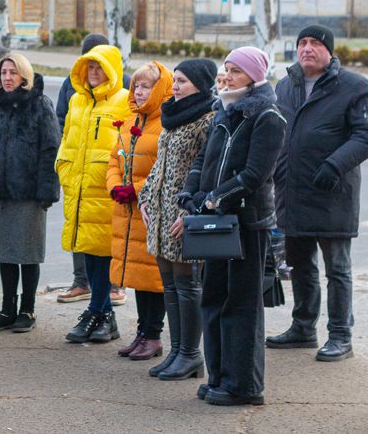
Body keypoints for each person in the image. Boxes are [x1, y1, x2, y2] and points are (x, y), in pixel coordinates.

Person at [181, 47, 285, 407]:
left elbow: (256, 175)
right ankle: (220, 376)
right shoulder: (223, 110)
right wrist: (190, 193)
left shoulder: (267, 116)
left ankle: (245, 386)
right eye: (225, 69)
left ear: (253, 77)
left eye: (235, 71)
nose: (225, 76)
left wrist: (213, 198)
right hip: (216, 219)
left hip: (245, 222)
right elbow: (202, 159)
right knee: (213, 299)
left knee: (241, 306)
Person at [268, 26, 368, 362]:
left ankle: (341, 335)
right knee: (299, 264)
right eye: (302, 43)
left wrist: (334, 165)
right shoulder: (285, 85)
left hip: (332, 191)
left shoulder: (354, 86)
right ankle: (303, 327)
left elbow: (366, 135)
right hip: (292, 191)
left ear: (329, 51)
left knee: (337, 268)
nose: (307, 48)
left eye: (315, 43)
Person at [0, 53, 60, 334]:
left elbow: (50, 149)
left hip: (29, 194)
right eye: (3, 72)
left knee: (28, 253)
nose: (7, 77)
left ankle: (27, 310)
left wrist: (47, 191)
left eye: (13, 72)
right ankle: (7, 309)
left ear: (24, 76)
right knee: (4, 252)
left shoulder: (40, 104)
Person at [140, 59, 217, 381]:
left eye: (183, 81)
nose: (176, 86)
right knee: (169, 285)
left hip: (184, 214)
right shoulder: (172, 115)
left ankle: (190, 355)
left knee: (187, 284)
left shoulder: (208, 118)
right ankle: (176, 351)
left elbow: (208, 172)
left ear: (199, 84)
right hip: (160, 212)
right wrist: (145, 196)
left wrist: (190, 212)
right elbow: (161, 164)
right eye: (176, 80)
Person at [57, 43, 130, 344]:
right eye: (90, 67)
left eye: (100, 67)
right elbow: (67, 141)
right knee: (88, 251)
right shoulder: (77, 100)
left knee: (103, 255)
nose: (95, 73)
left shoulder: (123, 100)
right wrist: (63, 169)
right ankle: (100, 315)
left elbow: (126, 146)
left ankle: (99, 313)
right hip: (80, 189)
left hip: (105, 191)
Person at [108, 62, 173, 360]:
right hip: (128, 208)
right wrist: (114, 185)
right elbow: (115, 158)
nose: (140, 91)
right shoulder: (134, 120)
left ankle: (153, 335)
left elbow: (164, 169)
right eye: (137, 86)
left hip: (149, 209)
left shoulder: (164, 123)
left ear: (161, 89)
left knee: (152, 276)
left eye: (147, 86)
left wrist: (134, 189)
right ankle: (141, 333)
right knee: (137, 274)